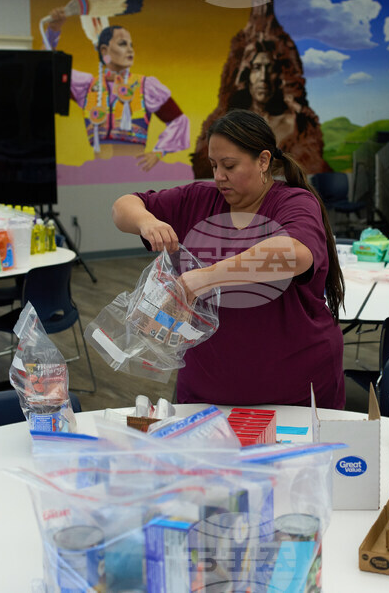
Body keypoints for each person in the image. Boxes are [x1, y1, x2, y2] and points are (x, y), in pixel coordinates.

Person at [112, 109, 346, 409]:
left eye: (229, 166)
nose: (219, 176)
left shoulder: (294, 202)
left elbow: (294, 254)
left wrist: (202, 279)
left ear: (263, 161)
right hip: (207, 390)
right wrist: (147, 221)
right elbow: (124, 206)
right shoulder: (198, 199)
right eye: (213, 165)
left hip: (293, 390)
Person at [44, 12, 190, 172]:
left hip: (135, 174)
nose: (130, 50)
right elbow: (47, 65)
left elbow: (179, 121)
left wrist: (159, 152)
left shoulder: (145, 86)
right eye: (122, 44)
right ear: (104, 51)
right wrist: (53, 30)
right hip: (99, 174)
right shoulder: (87, 86)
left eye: (131, 45)